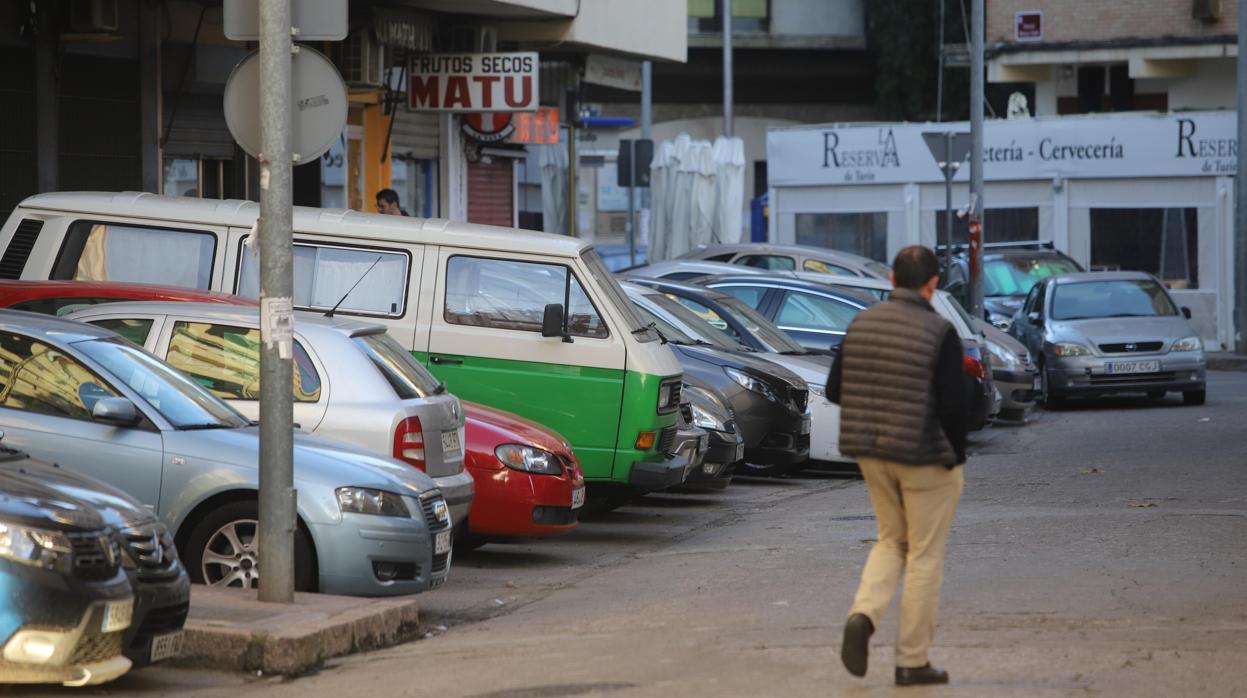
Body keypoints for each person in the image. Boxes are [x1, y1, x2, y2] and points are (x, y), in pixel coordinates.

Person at [826, 245, 969, 687]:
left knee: (891, 540)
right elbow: (954, 405)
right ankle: (912, 661)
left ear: (891, 280)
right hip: (924, 457)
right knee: (925, 555)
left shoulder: (860, 323)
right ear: (933, 285)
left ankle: (863, 616)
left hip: (872, 454)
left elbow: (834, 389)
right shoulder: (939, 330)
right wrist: (956, 456)